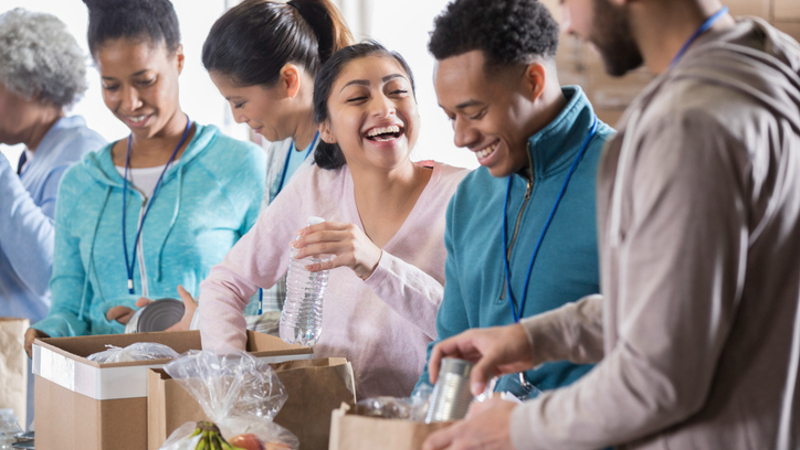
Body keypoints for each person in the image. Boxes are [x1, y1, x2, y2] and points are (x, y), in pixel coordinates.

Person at [422, 0, 800, 449]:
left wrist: (514, 429)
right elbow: (679, 307)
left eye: (567, 2)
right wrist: (537, 337)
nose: (569, 25)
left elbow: (658, 376)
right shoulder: (770, 70)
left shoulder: (686, 127)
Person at [198, 41, 468, 398]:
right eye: (358, 98)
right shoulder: (316, 186)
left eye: (398, 92)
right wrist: (232, 383)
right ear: (325, 128)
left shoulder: (466, 194)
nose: (385, 107)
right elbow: (225, 284)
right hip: (324, 420)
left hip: (424, 427)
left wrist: (377, 264)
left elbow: (478, 331)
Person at [24, 0, 266, 352]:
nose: (130, 102)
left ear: (178, 60)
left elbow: (269, 303)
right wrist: (46, 333)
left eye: (145, 81)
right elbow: (68, 309)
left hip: (205, 388)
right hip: (108, 393)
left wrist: (199, 321)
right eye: (111, 86)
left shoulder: (241, 166)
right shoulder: (79, 183)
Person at [416, 0, 615, 394]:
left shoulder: (629, 174)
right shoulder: (470, 198)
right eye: (450, 117)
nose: (461, 137)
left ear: (534, 81)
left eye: (474, 112)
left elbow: (664, 342)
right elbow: (452, 354)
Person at [201, 0, 353, 316]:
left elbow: (323, 305)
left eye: (240, 102)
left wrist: (202, 322)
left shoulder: (342, 160)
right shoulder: (279, 151)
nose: (237, 117)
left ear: (288, 80)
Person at [0, 7, 106, 428]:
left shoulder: (80, 156)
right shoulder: (32, 159)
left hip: (34, 362)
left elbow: (50, 270)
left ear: (32, 85)